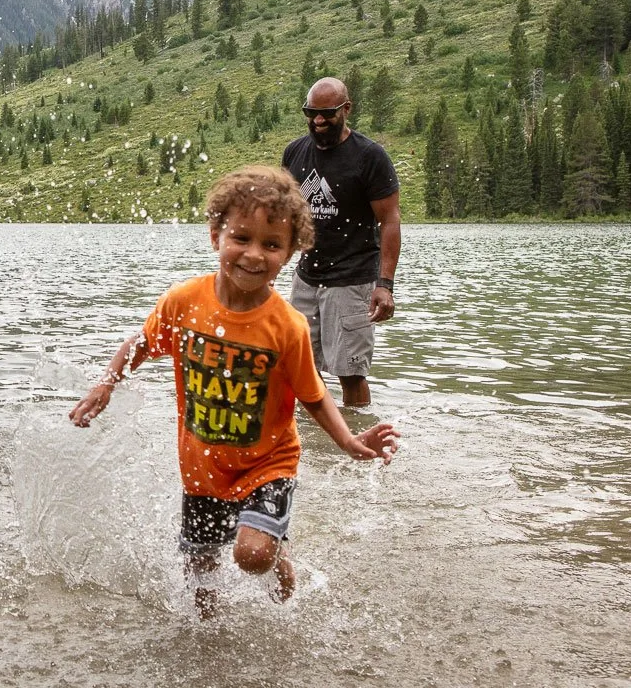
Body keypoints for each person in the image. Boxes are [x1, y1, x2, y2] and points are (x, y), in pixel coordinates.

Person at [68, 166, 399, 615]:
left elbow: (314, 394)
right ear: (215, 235)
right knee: (199, 576)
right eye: (241, 238)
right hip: (202, 468)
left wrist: (348, 441)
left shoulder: (287, 326)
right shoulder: (186, 301)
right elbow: (143, 342)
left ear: (289, 255)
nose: (254, 254)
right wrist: (106, 383)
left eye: (271, 244)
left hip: (269, 463)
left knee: (251, 556)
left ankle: (277, 549)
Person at [281, 77, 401, 408]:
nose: (318, 121)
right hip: (306, 279)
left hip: (352, 279)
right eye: (311, 112)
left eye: (328, 113)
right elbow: (286, 214)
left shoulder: (370, 156)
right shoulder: (294, 152)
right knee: (302, 368)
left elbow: (389, 221)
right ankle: (315, 443)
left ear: (346, 109)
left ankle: (359, 440)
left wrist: (385, 285)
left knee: (351, 373)